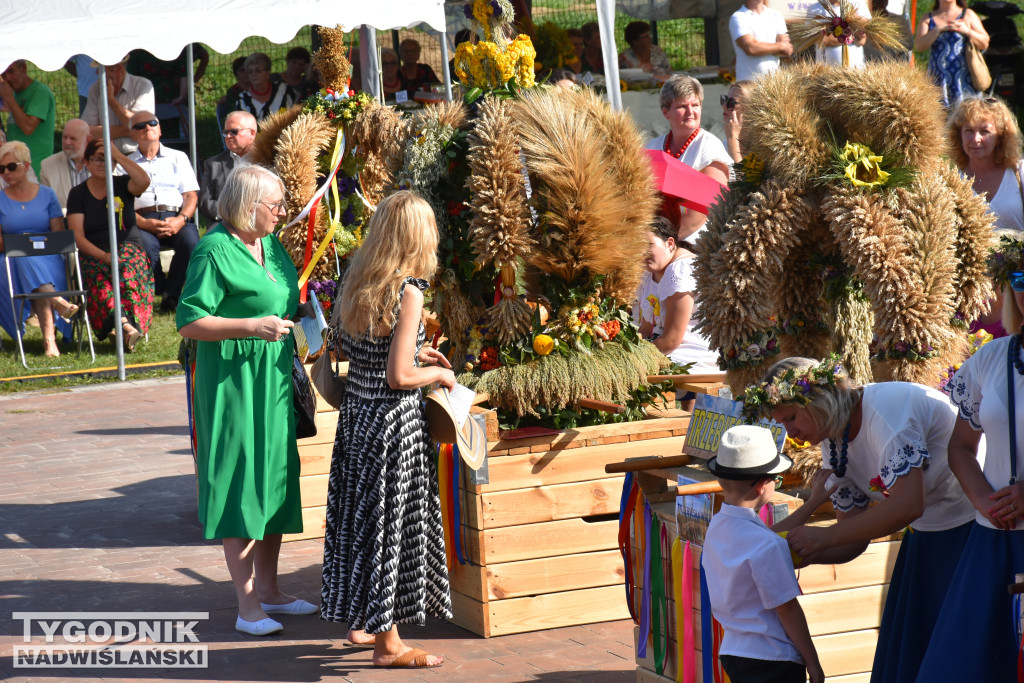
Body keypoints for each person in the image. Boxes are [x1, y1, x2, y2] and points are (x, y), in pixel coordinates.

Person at [746, 356, 978, 683]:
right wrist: (798, 554)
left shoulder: (886, 415)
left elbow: (909, 505)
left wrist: (821, 538)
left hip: (973, 532)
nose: (791, 431)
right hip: (928, 537)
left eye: (792, 418)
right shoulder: (833, 440)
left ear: (819, 399)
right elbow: (853, 537)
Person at [177, 164, 316, 637]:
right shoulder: (214, 249)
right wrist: (250, 326)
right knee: (241, 484)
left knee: (274, 479)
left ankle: (273, 590)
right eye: (275, 204)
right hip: (233, 383)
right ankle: (247, 605)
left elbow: (285, 300)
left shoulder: (269, 244)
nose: (282, 212)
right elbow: (190, 321)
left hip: (273, 380)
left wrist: (311, 316)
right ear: (246, 204)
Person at [321, 191, 452, 668]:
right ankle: (387, 645)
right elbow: (398, 378)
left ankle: (364, 623)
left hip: (357, 419)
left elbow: (370, 356)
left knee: (361, 522)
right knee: (388, 532)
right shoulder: (408, 291)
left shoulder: (356, 282)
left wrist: (417, 355)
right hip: (393, 426)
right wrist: (437, 373)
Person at [917, 237, 1024, 682]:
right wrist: (983, 499)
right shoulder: (990, 358)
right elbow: (961, 447)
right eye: (1020, 279)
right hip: (994, 540)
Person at [703, 425, 825, 683]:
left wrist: (813, 502)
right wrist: (813, 663)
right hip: (774, 658)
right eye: (776, 479)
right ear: (762, 485)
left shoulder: (717, 527)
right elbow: (787, 609)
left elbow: (766, 536)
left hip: (734, 652)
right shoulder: (766, 546)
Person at [66, 138, 153, 350]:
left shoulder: (123, 185)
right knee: (99, 277)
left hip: (129, 247)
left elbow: (144, 181)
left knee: (127, 270)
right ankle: (126, 327)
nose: (102, 163)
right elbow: (77, 236)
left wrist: (120, 155)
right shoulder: (78, 194)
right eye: (97, 159)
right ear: (86, 162)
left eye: (107, 159)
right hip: (94, 252)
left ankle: (123, 327)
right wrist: (104, 256)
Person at [948, 95, 1023, 337]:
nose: (976, 139)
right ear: (958, 135)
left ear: (1001, 134)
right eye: (968, 131)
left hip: (1018, 298)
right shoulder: (950, 181)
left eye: (985, 131)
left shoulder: (1019, 173)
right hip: (969, 302)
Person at [633, 217, 717, 408]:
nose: (643, 252)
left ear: (670, 243)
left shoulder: (680, 270)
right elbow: (646, 327)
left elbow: (671, 340)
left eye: (648, 245)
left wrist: (634, 359)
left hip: (692, 354)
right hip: (667, 349)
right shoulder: (651, 269)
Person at [0, 141, 73, 357]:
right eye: (1, 169)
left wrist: (30, 242)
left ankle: (50, 340)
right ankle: (57, 306)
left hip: (47, 256)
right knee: (22, 256)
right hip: (9, 260)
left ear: (26, 165)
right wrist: (20, 242)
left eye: (11, 166)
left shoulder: (48, 195)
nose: (6, 173)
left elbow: (57, 236)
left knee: (29, 261)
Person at [127, 111, 200, 312]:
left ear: (159, 129)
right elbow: (120, 205)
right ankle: (158, 288)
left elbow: (191, 196)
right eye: (140, 126)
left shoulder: (178, 157)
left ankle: (172, 295)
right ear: (132, 135)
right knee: (143, 246)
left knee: (192, 243)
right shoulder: (125, 164)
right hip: (142, 219)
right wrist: (145, 223)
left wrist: (181, 219)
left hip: (176, 216)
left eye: (152, 123)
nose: (147, 127)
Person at [645, 75, 731, 241]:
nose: (690, 112)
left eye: (695, 105)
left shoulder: (709, 147)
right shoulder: (652, 147)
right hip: (655, 241)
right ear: (665, 112)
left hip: (697, 243)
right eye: (682, 106)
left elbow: (705, 210)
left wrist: (667, 243)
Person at [915, 0, 990, 109]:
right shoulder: (928, 18)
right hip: (938, 81)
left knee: (968, 117)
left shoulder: (967, 14)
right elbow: (919, 46)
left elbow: (984, 42)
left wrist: (966, 30)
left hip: (964, 80)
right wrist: (938, 29)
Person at [82, 56, 156, 154]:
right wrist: (128, 130)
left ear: (118, 69)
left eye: (101, 69)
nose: (97, 73)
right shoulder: (95, 89)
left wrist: (112, 102)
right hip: (106, 156)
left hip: (137, 155)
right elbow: (88, 132)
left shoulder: (143, 86)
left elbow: (140, 126)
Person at [0, 60, 56, 177]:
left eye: (11, 71)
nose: (8, 78)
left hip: (36, 170)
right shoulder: (15, 94)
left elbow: (28, 127)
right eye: (3, 74)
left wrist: (9, 99)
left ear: (24, 68)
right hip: (16, 170)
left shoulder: (40, 92)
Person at [199, 111, 256, 224]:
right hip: (224, 226)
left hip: (259, 224)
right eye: (226, 132)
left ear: (252, 133)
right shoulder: (214, 164)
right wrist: (231, 214)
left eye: (234, 132)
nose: (228, 136)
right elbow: (205, 202)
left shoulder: (269, 161)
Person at [729, 0, 792, 82]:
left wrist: (759, 47)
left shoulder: (776, 15)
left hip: (774, 84)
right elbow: (751, 48)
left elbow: (787, 50)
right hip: (748, 84)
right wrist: (780, 46)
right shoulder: (738, 16)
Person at [127, 45, 209, 105]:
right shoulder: (137, 48)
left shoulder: (180, 43)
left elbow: (204, 55)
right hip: (147, 102)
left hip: (178, 103)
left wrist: (194, 79)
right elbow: (130, 78)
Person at [39, 119, 92, 210]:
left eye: (73, 138)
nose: (67, 142)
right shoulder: (48, 165)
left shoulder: (101, 163)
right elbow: (45, 206)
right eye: (65, 137)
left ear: (88, 140)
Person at [235, 52, 297, 121]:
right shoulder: (243, 99)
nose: (254, 74)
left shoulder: (284, 90)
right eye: (250, 71)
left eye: (257, 71)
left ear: (267, 72)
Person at [809, 0, 870, 69]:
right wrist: (849, 37)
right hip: (826, 71)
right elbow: (821, 40)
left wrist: (854, 17)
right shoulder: (815, 8)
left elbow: (862, 39)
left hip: (856, 70)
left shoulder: (858, 4)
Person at [721, 80, 750, 164]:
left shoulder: (763, 147)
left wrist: (733, 139)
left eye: (731, 103)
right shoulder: (723, 145)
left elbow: (742, 176)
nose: (724, 106)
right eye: (724, 99)